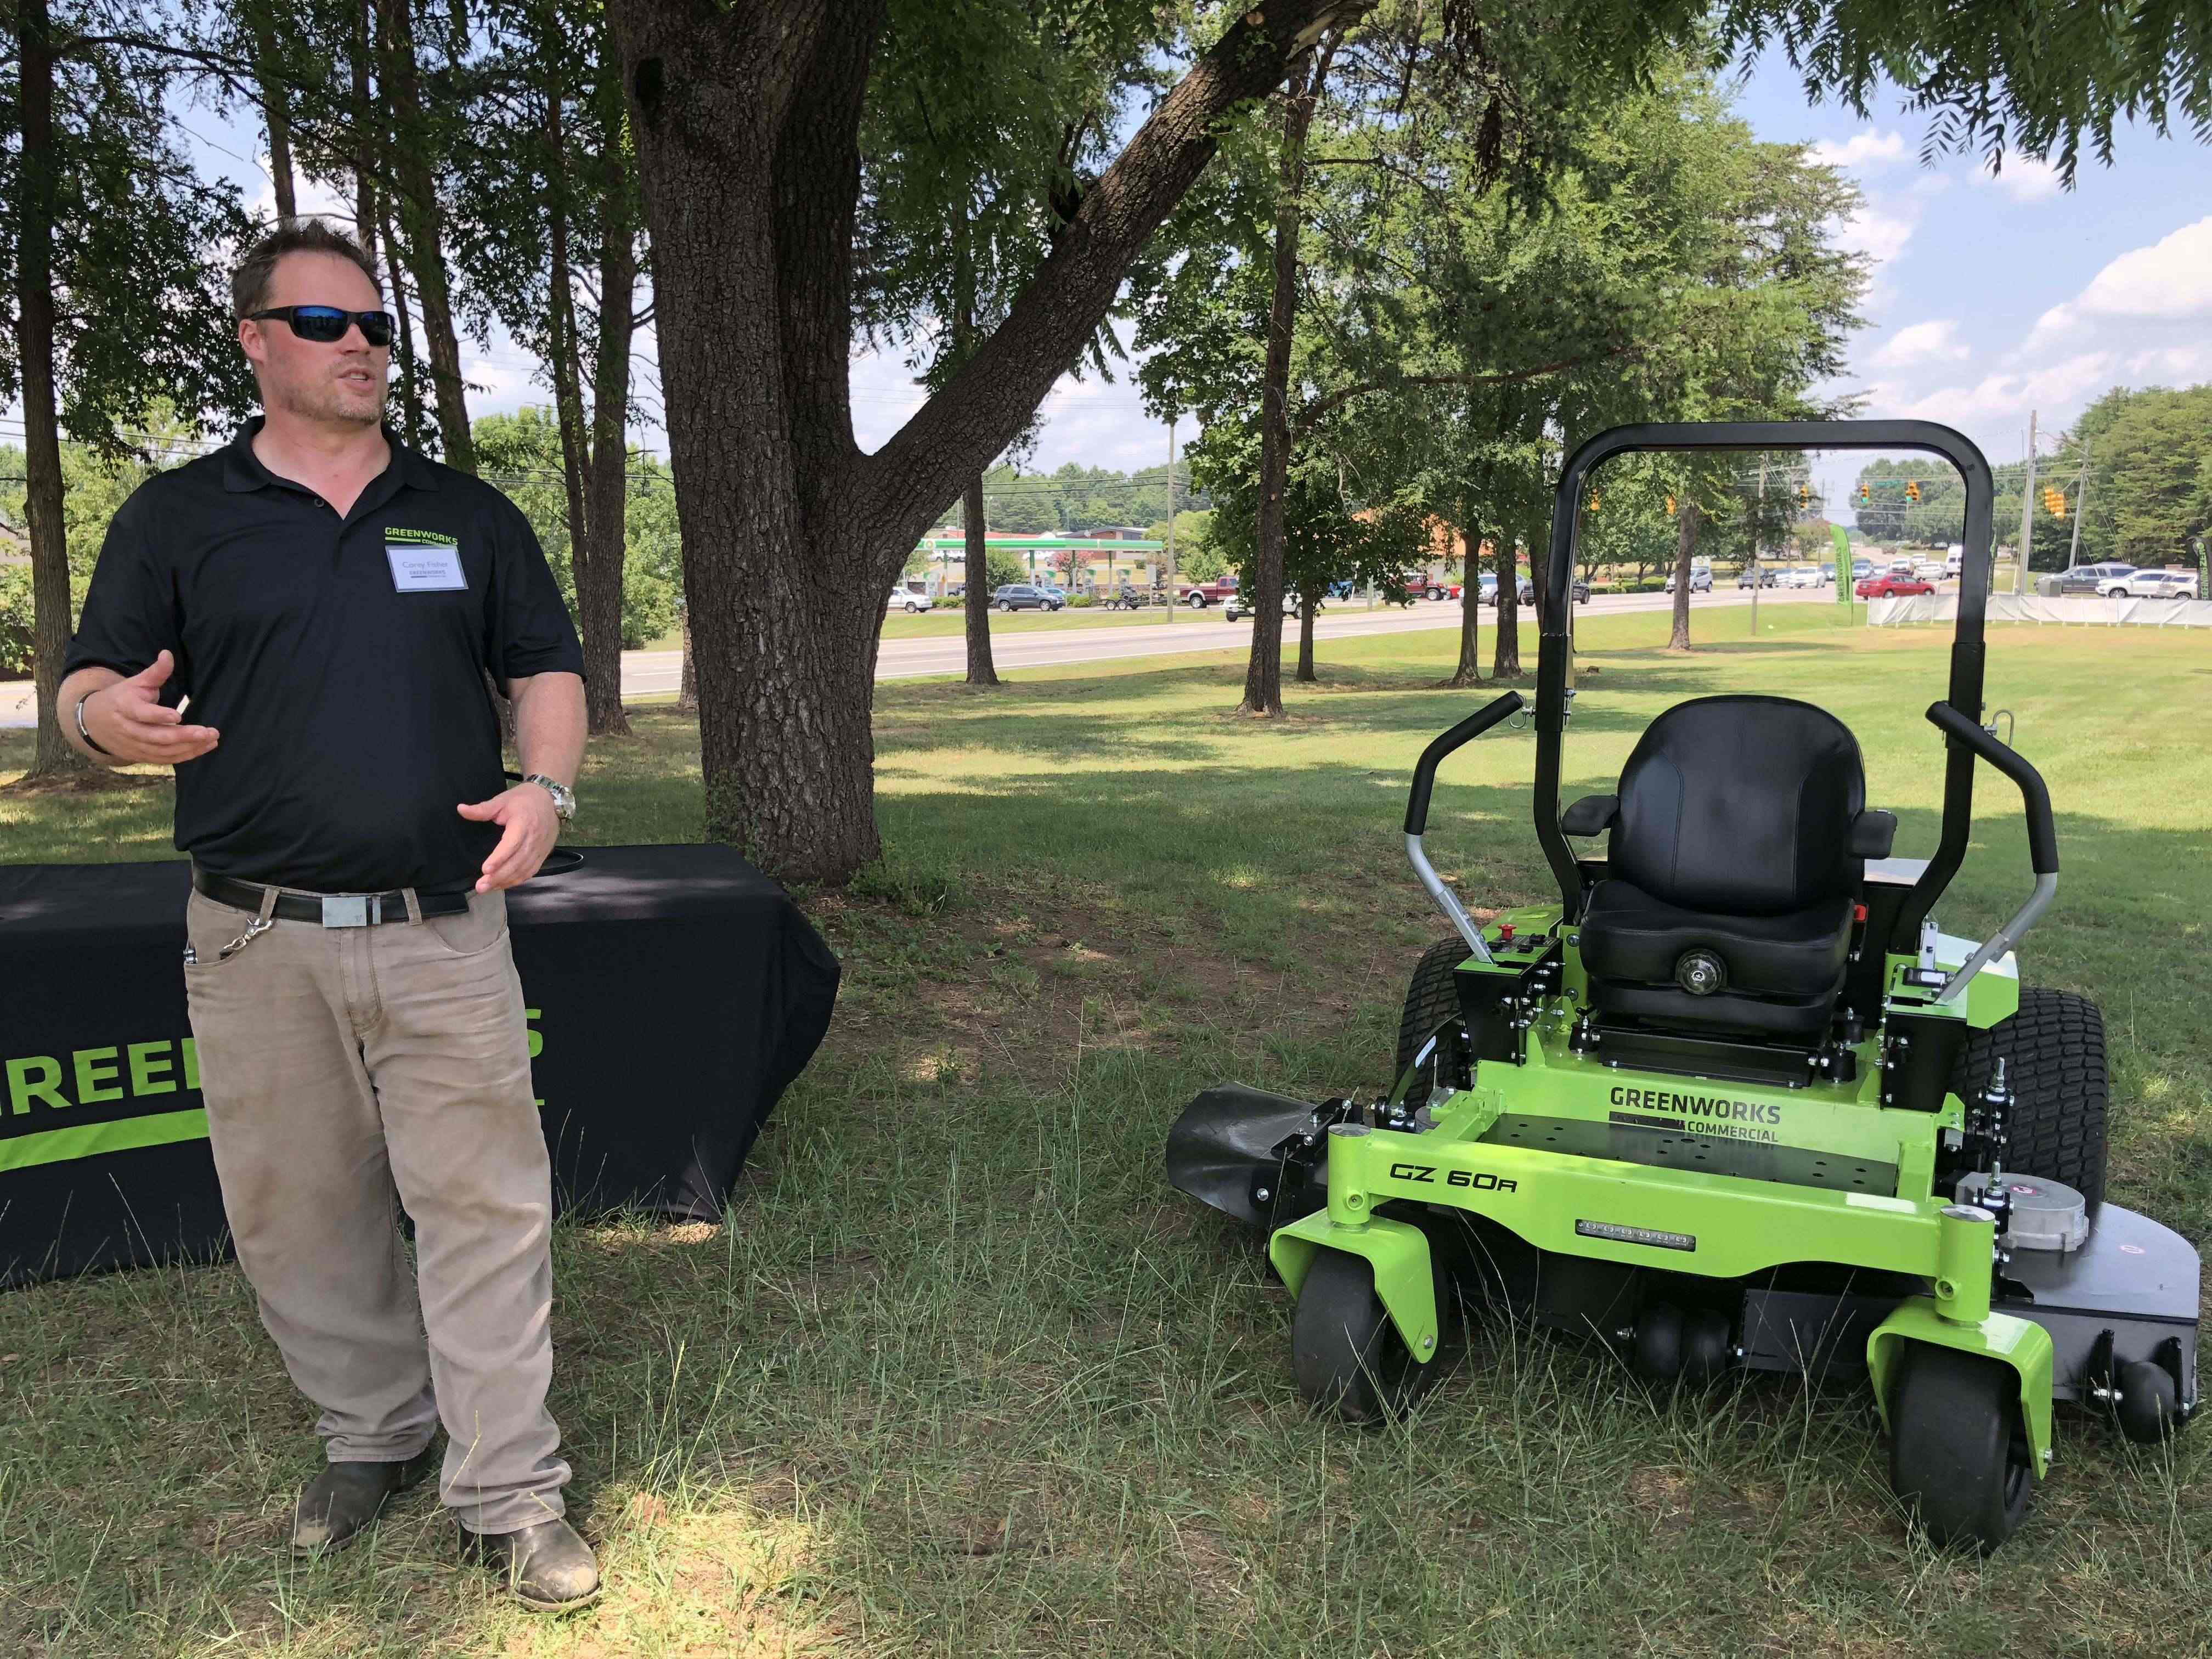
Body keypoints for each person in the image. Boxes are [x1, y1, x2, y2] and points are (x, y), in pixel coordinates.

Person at [58, 220, 597, 1612]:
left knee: (483, 1208)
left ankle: (510, 1490)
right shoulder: (177, 517)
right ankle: (373, 1434)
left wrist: (544, 786)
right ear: (253, 341)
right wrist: (99, 718)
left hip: (443, 927)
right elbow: (89, 687)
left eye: (374, 326)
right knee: (299, 1211)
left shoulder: (464, 514)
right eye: (323, 323)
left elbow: (546, 668)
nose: (359, 344)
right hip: (252, 936)